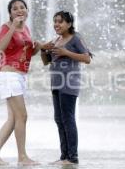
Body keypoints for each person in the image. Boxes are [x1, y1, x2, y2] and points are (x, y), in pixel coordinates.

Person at [0, 0, 40, 166]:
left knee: (13, 119)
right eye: (15, 9)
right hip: (9, 75)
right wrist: (12, 27)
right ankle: (22, 157)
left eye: (22, 7)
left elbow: (27, 54)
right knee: (22, 116)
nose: (19, 11)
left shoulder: (26, 29)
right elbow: (1, 47)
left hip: (20, 76)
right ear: (10, 13)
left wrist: (38, 46)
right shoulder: (6, 27)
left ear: (27, 10)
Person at [40, 11, 92, 165]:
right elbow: (46, 61)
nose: (57, 24)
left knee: (68, 119)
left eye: (60, 21)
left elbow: (87, 58)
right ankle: (64, 156)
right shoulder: (56, 40)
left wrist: (66, 52)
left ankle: (72, 157)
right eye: (55, 21)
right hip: (56, 84)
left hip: (69, 84)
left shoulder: (76, 38)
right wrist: (43, 50)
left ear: (69, 24)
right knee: (59, 119)